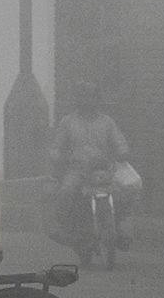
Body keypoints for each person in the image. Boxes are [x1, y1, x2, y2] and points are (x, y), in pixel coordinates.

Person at [47, 80, 137, 249]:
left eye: (92, 97)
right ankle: (61, 227)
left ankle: (124, 232)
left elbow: (119, 141)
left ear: (98, 99)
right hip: (77, 170)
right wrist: (57, 156)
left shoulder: (107, 122)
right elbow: (57, 146)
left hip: (104, 170)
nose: (87, 100)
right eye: (83, 96)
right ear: (77, 99)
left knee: (126, 192)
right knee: (66, 191)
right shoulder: (68, 121)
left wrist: (123, 151)